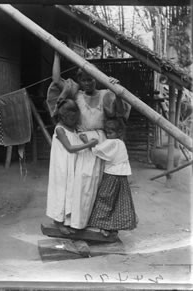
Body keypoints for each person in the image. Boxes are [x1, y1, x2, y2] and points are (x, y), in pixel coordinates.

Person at [48, 50, 131, 230]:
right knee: (80, 182)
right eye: (84, 80)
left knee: (99, 183)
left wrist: (117, 91)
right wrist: (57, 55)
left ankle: (97, 222)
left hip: (101, 141)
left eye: (91, 79)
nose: (87, 83)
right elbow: (56, 80)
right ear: (80, 81)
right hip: (83, 140)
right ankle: (75, 221)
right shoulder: (76, 94)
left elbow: (118, 112)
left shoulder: (105, 94)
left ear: (96, 79)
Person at [46, 99, 99, 235]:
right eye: (70, 118)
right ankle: (58, 222)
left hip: (71, 164)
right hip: (62, 166)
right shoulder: (60, 129)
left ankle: (66, 221)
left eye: (75, 118)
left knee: (70, 191)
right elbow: (69, 148)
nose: (74, 120)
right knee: (61, 192)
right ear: (63, 117)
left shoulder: (74, 128)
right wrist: (88, 145)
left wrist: (83, 139)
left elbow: (76, 141)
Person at [81, 118, 137, 238]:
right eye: (107, 132)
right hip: (122, 177)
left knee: (104, 199)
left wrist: (87, 141)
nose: (107, 135)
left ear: (118, 133)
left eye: (110, 132)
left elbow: (98, 150)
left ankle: (103, 225)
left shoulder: (113, 142)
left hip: (112, 175)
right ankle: (113, 227)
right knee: (118, 201)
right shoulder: (121, 143)